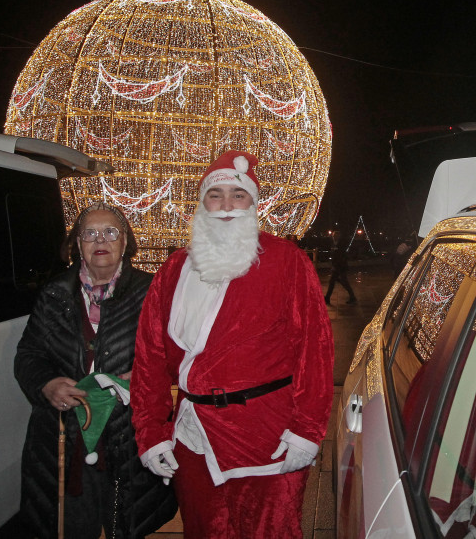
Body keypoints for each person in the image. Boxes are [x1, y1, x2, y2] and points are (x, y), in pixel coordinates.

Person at [131, 150, 334, 539]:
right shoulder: (175, 268)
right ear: (202, 204)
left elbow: (316, 349)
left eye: (238, 195)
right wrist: (151, 431)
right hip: (194, 437)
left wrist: (307, 430)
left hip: (267, 436)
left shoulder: (286, 260)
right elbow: (149, 359)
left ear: (254, 203)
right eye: (215, 194)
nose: (226, 205)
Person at [14, 203, 177, 539]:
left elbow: (175, 354)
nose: (99, 240)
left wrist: (147, 377)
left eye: (110, 232)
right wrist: (46, 385)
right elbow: (28, 354)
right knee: (73, 526)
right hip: (67, 436)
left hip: (129, 435)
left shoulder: (151, 292)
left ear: (125, 241)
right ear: (77, 244)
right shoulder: (56, 293)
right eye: (89, 233)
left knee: (128, 525)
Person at [325, 231, 356, 304]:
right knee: (333, 281)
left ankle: (352, 296)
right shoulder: (334, 244)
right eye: (334, 235)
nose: (334, 236)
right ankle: (327, 297)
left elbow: (341, 255)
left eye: (336, 235)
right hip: (337, 265)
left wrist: (335, 265)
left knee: (343, 282)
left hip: (341, 266)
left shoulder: (341, 244)